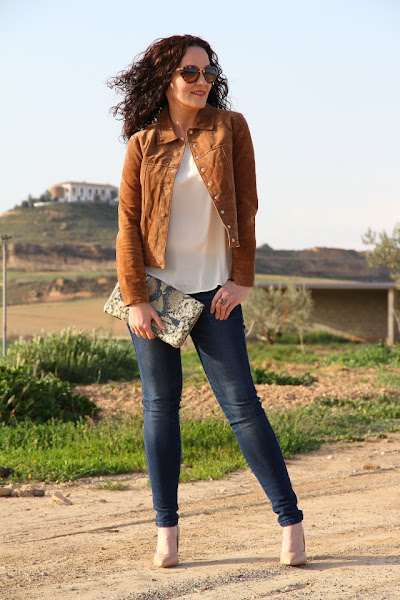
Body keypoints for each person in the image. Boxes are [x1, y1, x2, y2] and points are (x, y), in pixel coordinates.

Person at [109, 34, 306, 568]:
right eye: (190, 73)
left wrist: (242, 280)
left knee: (242, 406)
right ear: (166, 79)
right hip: (156, 295)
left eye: (208, 72)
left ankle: (290, 521)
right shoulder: (143, 143)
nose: (202, 81)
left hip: (217, 291)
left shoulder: (230, 128)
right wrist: (135, 298)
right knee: (159, 407)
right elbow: (128, 224)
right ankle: (166, 531)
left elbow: (247, 204)